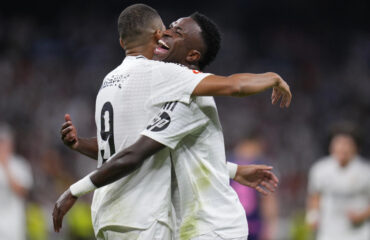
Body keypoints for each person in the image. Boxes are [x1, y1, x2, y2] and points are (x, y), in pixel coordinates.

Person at [53, 4, 290, 240]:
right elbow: (139, 148)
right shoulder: (165, 92)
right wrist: (233, 170)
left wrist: (273, 77)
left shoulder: (186, 98)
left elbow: (137, 152)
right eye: (170, 26)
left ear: (193, 55)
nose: (166, 32)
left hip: (212, 228)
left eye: (177, 32)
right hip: (189, 228)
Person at [306, 126, 370, 240]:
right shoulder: (320, 169)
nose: (342, 147)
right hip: (328, 233)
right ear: (331, 146)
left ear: (355, 147)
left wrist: (362, 215)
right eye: (338, 143)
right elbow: (315, 196)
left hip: (358, 233)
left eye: (346, 144)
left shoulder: (365, 172)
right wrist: (313, 216)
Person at [230, 134, 279, 240]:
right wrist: (270, 227)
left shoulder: (228, 165)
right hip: (247, 225)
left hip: (238, 225)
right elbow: (268, 199)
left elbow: (268, 200)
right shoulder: (259, 166)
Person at [0, 123, 33, 240]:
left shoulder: (20, 165)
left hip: (14, 226)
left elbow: (21, 191)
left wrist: (5, 166)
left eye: (4, 142)